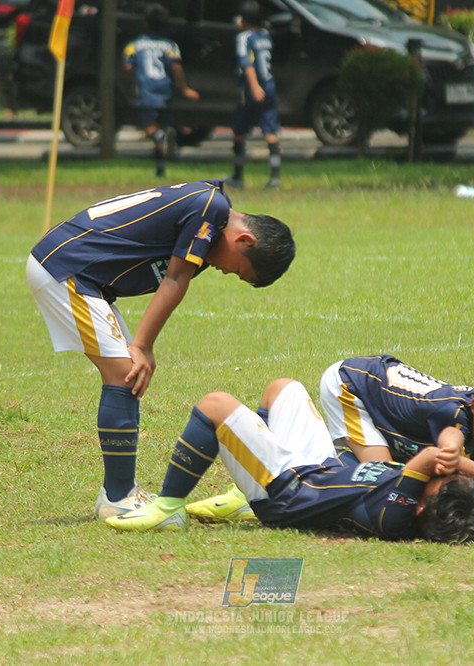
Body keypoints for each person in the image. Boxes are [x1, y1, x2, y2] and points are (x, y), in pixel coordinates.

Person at [26, 180, 294, 521]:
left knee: (127, 376)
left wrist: (141, 346)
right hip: (67, 268)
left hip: (80, 271)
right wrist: (142, 346)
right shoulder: (209, 210)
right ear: (244, 240)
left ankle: (121, 491)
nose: (225, 271)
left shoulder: (209, 213)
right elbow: (174, 279)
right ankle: (118, 497)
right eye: (236, 269)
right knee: (125, 375)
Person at [106, 378, 474, 544]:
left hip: (284, 492)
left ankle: (167, 506)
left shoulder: (396, 517)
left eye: (442, 481)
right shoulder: (409, 504)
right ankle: (240, 491)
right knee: (284, 388)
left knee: (215, 405)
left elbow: (434, 455)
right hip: (318, 471)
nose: (443, 473)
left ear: (421, 507)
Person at [187, 354, 474, 522]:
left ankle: (272, 469)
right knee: (380, 475)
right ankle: (253, 484)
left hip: (378, 395)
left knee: (396, 473)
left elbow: (461, 476)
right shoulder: (453, 415)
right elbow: (445, 453)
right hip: (351, 386)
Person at [122, 3, 199, 178]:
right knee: (161, 125)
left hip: (147, 90)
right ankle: (160, 169)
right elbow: (176, 66)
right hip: (165, 89)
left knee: (150, 129)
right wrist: (185, 88)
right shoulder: (170, 45)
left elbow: (127, 66)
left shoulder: (135, 45)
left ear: (146, 23)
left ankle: (161, 138)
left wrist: (138, 74)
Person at [227, 0, 281, 190]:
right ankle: (275, 177)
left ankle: (237, 175)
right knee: (270, 129)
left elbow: (247, 63)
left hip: (251, 89)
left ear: (243, 19)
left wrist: (254, 86)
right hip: (270, 86)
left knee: (239, 130)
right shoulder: (266, 36)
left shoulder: (244, 37)